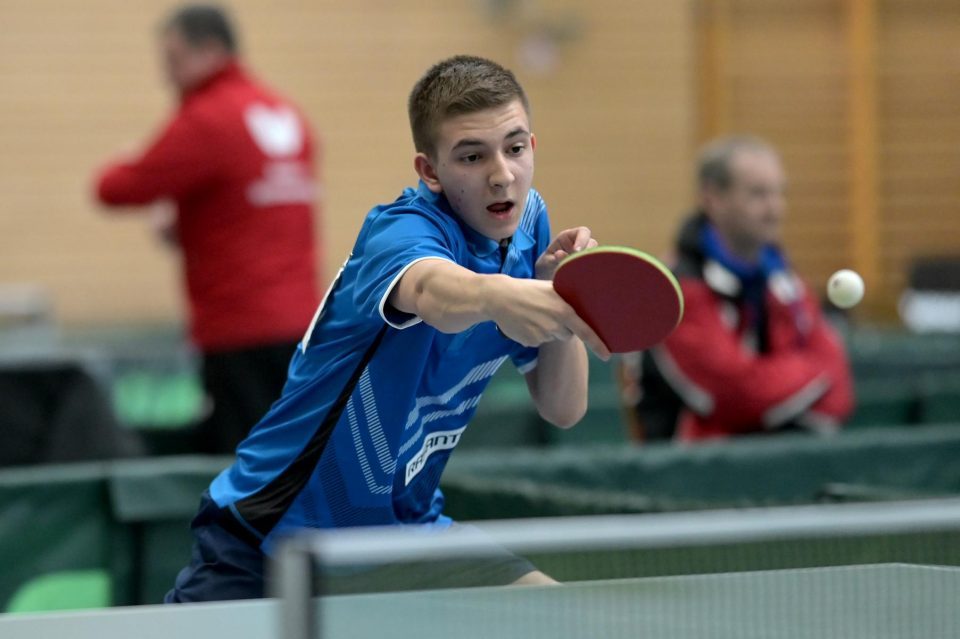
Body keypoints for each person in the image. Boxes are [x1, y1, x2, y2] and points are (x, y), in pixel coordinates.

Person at [164, 55, 610, 603]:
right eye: (472, 156)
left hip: (406, 534)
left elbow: (563, 409)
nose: (502, 174)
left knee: (567, 617)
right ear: (429, 170)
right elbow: (433, 293)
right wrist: (512, 295)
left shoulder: (529, 226)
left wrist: (562, 307)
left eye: (515, 148)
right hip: (277, 539)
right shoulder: (399, 232)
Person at [92, 5, 321, 454]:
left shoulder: (207, 120)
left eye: (174, 61)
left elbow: (114, 188)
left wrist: (132, 157)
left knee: (246, 463)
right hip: (300, 323)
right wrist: (184, 226)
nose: (168, 76)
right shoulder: (287, 115)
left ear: (211, 51)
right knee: (294, 455)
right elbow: (246, 211)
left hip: (238, 329)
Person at [620, 135, 854, 442]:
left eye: (779, 193)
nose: (775, 209)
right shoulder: (675, 290)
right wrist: (812, 375)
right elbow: (735, 395)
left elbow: (838, 389)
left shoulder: (783, 279)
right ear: (712, 198)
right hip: (685, 475)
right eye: (758, 194)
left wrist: (794, 379)